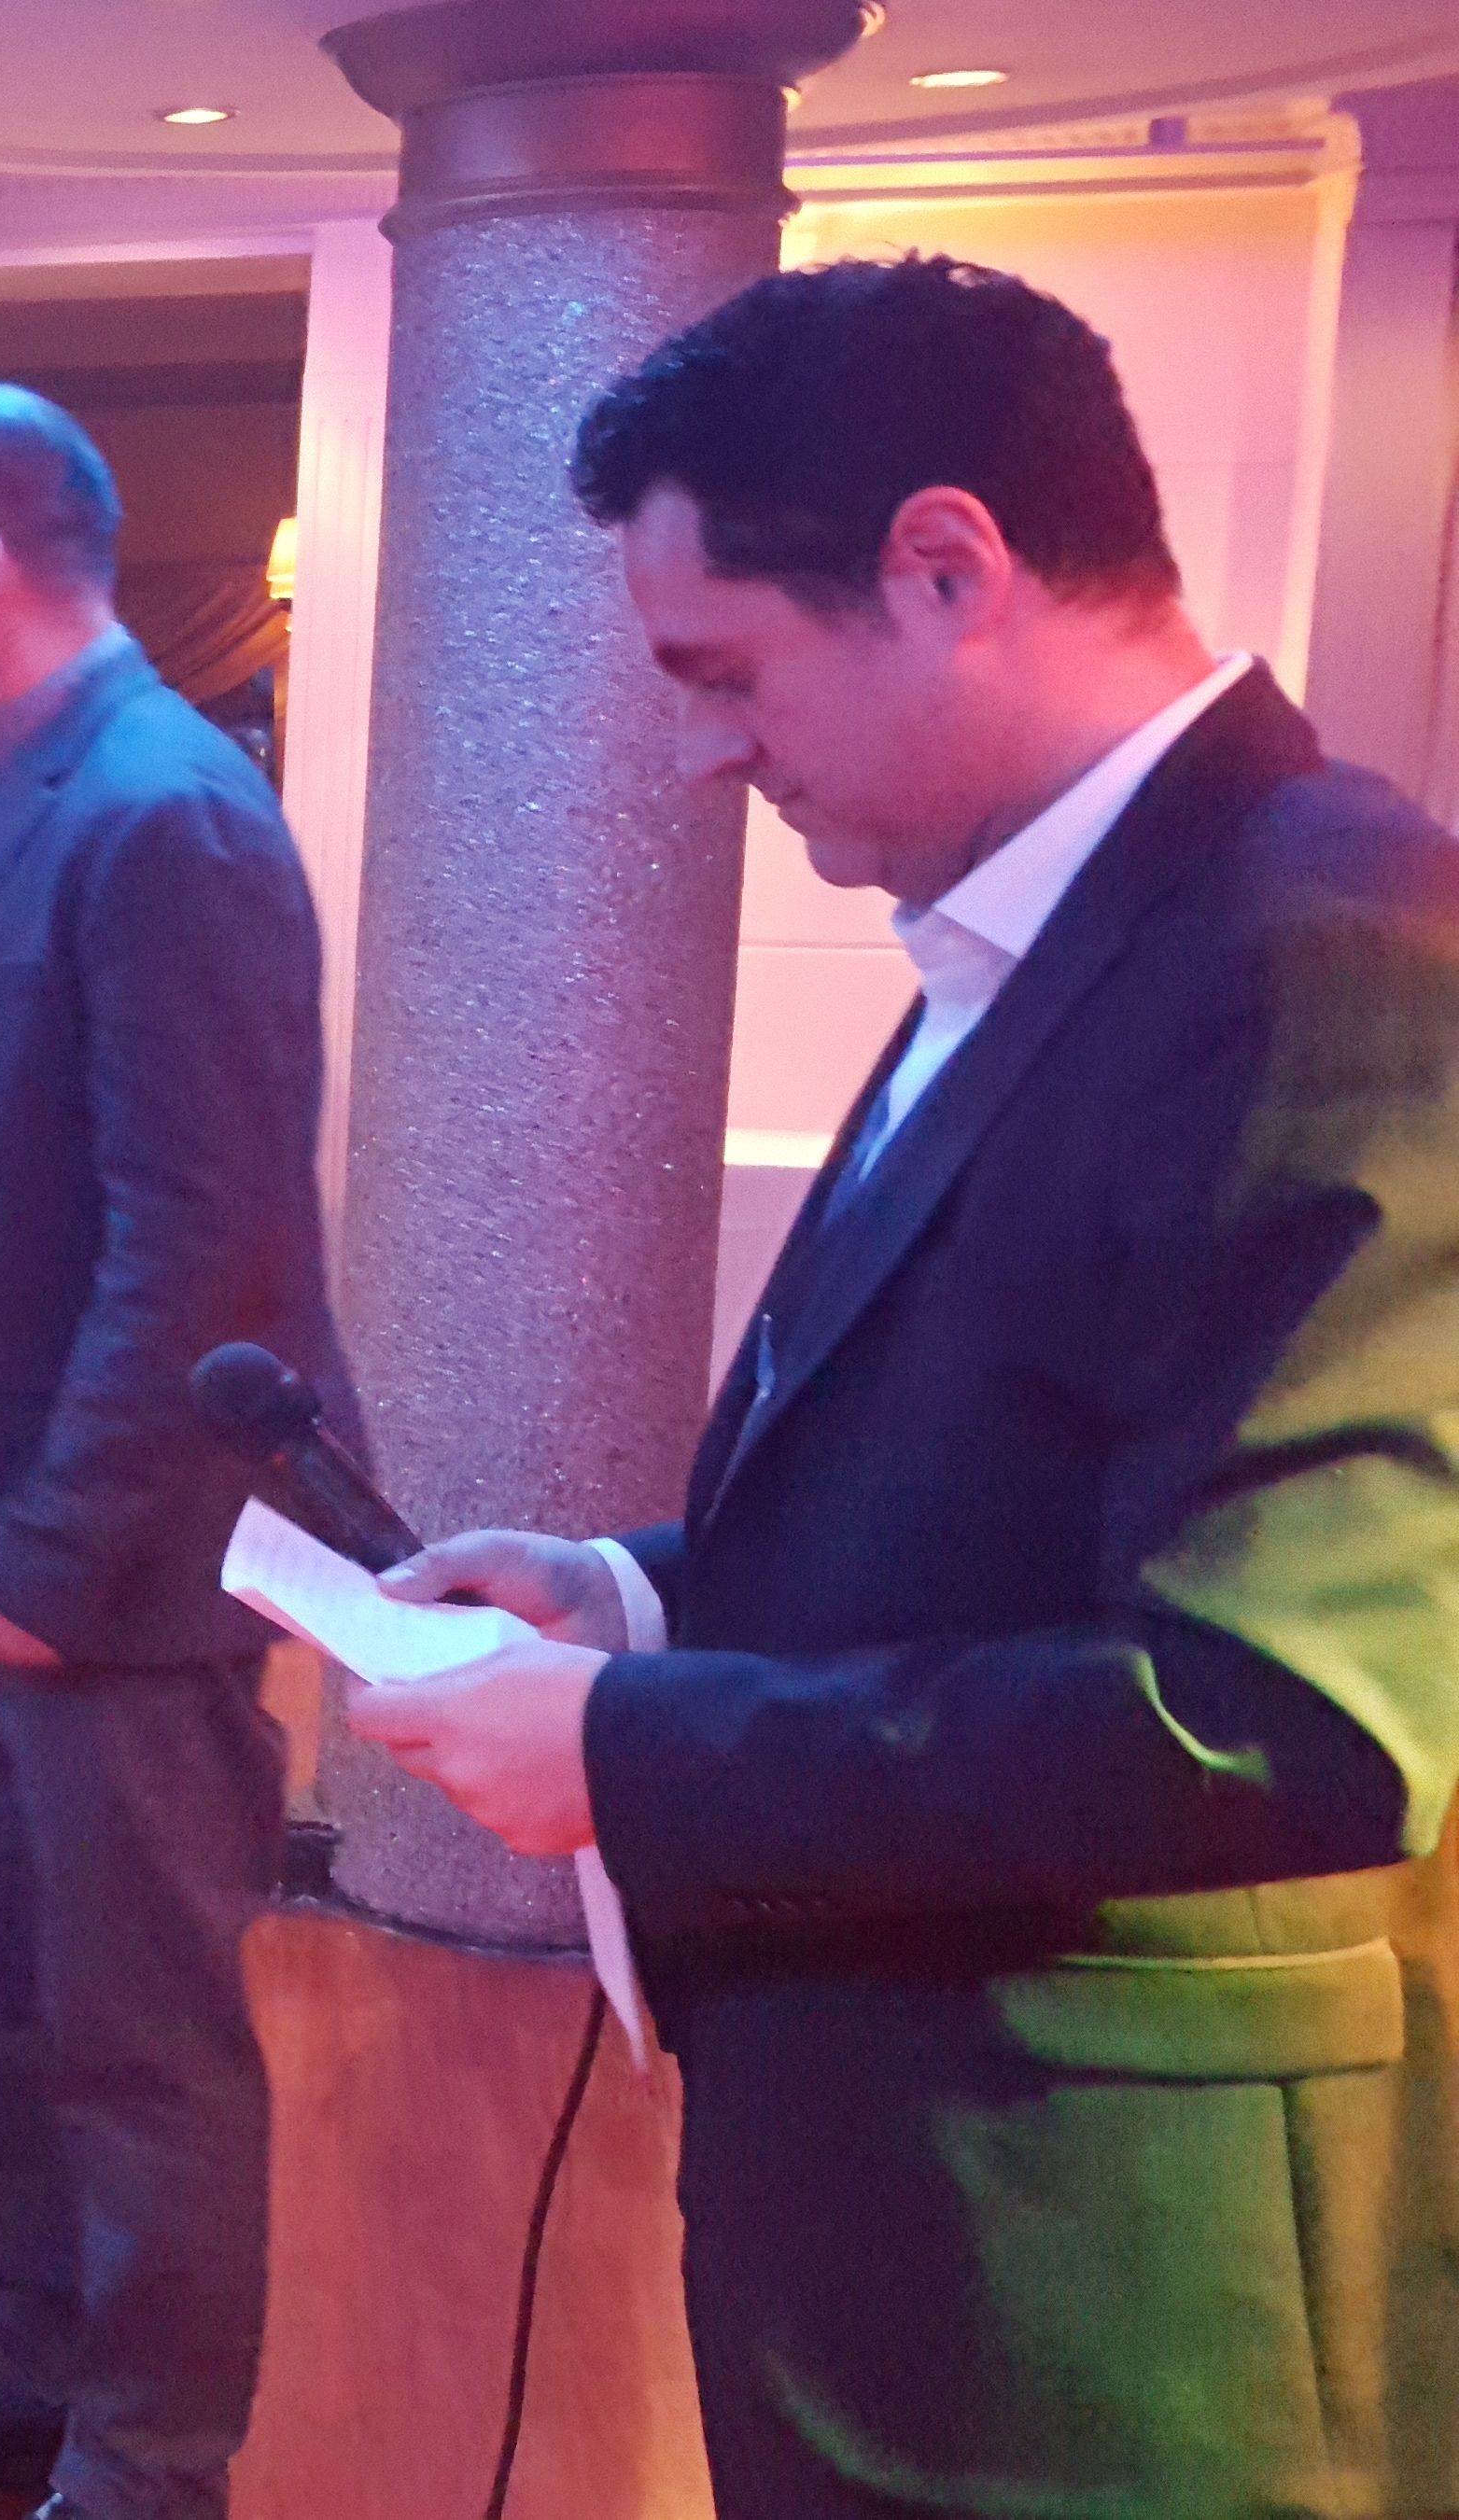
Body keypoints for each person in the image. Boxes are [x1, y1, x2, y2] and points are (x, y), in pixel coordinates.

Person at [350, 257, 1459, 2520]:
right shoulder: (1046, 919)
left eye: (721, 669)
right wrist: (634, 1596)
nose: (699, 751)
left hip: (1109, 2277)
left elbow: (1293, 1708)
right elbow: (1002, 1485)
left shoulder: (1327, 947)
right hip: (929, 2192)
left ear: (944, 565)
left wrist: (626, 1746)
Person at [0, 385, 341, 2520]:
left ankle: (143, 2469)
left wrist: (44, 1548)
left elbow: (204, 1253)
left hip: (103, 1581)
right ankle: (33, 2371)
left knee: (133, 2046)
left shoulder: (161, 814)